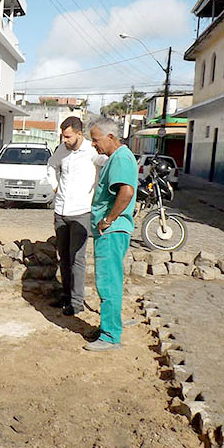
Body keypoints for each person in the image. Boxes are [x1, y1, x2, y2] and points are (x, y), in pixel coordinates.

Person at [86, 117, 137, 352]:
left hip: (112, 231)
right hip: (112, 231)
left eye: (95, 140)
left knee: (107, 282)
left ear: (110, 137)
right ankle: (110, 326)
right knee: (111, 281)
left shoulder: (121, 158)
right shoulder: (116, 158)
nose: (94, 144)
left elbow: (126, 191)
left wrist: (108, 219)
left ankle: (110, 336)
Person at [47, 116, 106, 316]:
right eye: (62, 136)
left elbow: (107, 161)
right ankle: (65, 296)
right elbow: (50, 167)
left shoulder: (92, 151)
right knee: (63, 256)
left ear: (79, 134)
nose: (64, 140)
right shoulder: (61, 151)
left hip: (81, 212)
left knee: (77, 258)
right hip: (61, 212)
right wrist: (54, 186)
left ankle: (77, 302)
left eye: (68, 136)